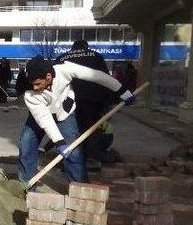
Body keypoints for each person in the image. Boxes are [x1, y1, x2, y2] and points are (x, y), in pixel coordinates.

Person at [18, 56, 135, 188]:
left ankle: (79, 187)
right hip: (40, 115)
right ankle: (26, 185)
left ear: (49, 76)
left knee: (73, 151)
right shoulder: (30, 94)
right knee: (26, 144)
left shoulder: (65, 69)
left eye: (38, 83)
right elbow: (45, 119)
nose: (35, 87)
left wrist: (121, 90)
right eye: (32, 83)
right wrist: (58, 142)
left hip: (65, 112)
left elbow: (96, 76)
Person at [55, 40, 113, 162]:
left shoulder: (62, 57)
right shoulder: (95, 56)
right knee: (91, 129)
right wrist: (108, 102)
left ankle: (72, 159)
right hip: (92, 99)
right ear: (86, 47)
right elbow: (105, 79)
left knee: (72, 130)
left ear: (72, 48)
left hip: (69, 100)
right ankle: (89, 157)